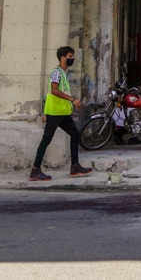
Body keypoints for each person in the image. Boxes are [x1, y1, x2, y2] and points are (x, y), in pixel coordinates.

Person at [30, 46, 93, 182]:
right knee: (46, 139)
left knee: (75, 134)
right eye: (70, 56)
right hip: (55, 113)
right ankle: (35, 170)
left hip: (62, 113)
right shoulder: (57, 73)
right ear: (63, 58)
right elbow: (54, 91)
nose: (72, 59)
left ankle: (75, 167)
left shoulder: (63, 73)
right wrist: (73, 99)